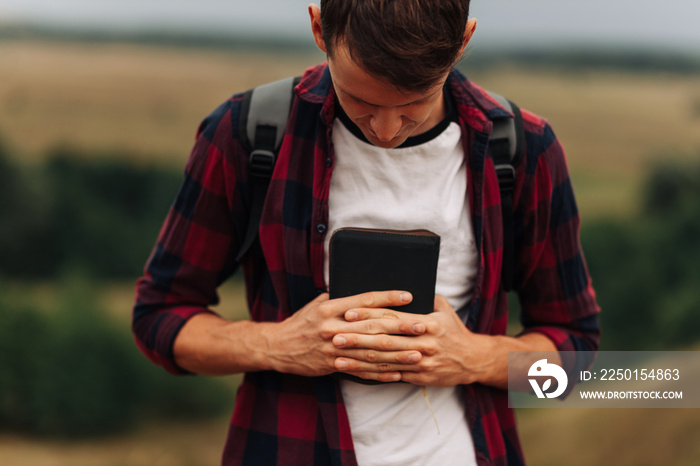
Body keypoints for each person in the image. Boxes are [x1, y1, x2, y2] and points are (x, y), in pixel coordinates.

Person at [132, 1, 601, 465]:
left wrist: (477, 357)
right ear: (319, 28)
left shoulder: (523, 150)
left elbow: (576, 358)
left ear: (464, 41)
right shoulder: (247, 134)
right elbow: (158, 319)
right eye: (362, 100)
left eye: (414, 100)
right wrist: (278, 345)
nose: (386, 129)